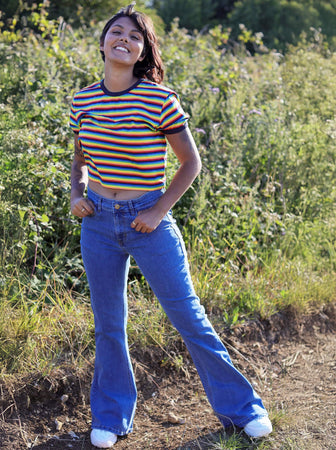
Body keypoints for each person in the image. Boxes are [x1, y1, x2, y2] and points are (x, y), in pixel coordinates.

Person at [69, 3, 272, 448]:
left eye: (134, 36)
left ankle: (244, 409)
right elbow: (81, 157)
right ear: (103, 41)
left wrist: (158, 211)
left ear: (142, 50)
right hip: (98, 225)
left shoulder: (158, 97)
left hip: (149, 222)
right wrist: (76, 194)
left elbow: (190, 164)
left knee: (188, 317)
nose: (124, 39)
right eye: (116, 31)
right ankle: (111, 415)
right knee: (108, 324)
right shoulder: (83, 99)